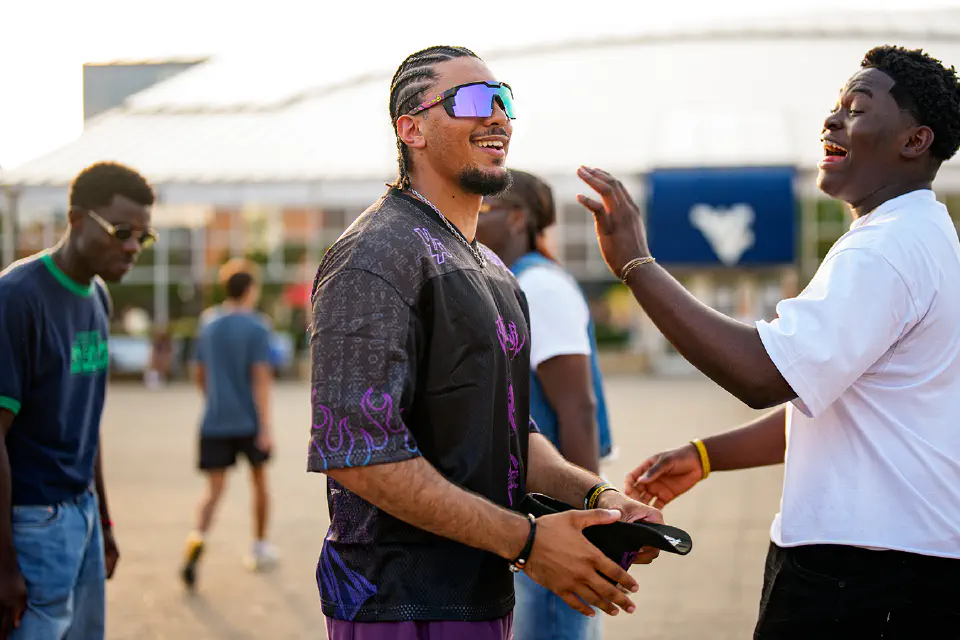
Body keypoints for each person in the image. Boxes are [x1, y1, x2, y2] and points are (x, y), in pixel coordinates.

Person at [576, 45, 960, 638]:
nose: (832, 121)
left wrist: (636, 264)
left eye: (857, 109)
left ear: (915, 141)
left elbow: (763, 374)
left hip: (864, 573)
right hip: (895, 560)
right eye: (836, 107)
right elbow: (826, 396)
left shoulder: (886, 248)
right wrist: (707, 455)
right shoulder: (923, 235)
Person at [308, 45, 663, 640]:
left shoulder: (495, 270)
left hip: (483, 595)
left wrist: (598, 496)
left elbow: (512, 432)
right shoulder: (373, 255)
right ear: (412, 129)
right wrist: (528, 542)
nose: (496, 115)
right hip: (396, 604)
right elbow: (357, 455)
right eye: (472, 100)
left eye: (503, 100)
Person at [0, 162, 157, 639]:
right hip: (32, 521)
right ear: (76, 219)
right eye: (122, 232)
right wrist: (4, 563)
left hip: (83, 514)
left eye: (143, 237)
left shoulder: (97, 297)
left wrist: (103, 520)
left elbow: (88, 423)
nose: (132, 247)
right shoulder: (16, 298)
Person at [476, 169, 615, 640]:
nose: (470, 216)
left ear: (517, 219)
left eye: (484, 207)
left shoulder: (539, 286)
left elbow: (578, 408)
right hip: (530, 515)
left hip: (552, 515)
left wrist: (584, 523)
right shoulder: (511, 280)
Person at [181, 259, 277, 589]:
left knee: (214, 490)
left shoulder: (208, 323)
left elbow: (198, 372)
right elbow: (260, 377)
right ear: (250, 290)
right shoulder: (258, 326)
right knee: (259, 483)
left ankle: (197, 539)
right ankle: (259, 547)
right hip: (249, 422)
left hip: (215, 420)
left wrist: (215, 399)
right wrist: (265, 426)